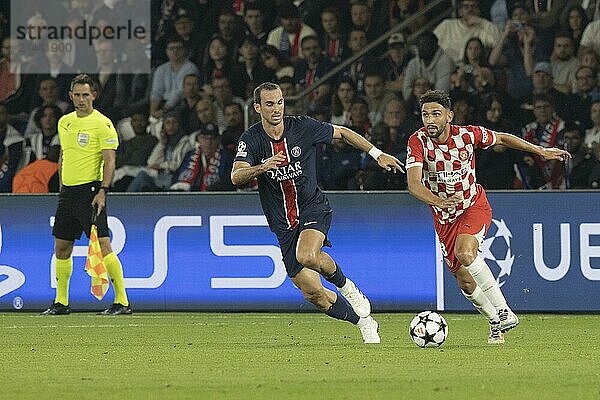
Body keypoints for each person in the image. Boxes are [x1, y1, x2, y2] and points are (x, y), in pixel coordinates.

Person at [231, 82, 404, 344]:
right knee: (315, 295)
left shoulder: (302, 127)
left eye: (279, 102)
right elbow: (236, 176)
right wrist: (263, 167)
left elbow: (343, 132)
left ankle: (348, 287)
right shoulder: (252, 139)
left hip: (312, 207)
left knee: (308, 255)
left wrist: (376, 154)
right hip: (284, 224)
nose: (276, 108)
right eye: (269, 104)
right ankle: (364, 322)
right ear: (257, 107)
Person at [406, 90, 571, 343]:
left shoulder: (467, 135)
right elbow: (414, 185)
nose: (430, 119)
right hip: (444, 217)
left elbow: (502, 139)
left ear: (449, 116)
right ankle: (495, 320)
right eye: (425, 114)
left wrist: (541, 150)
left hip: (473, 205)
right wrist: (440, 201)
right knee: (465, 283)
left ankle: (504, 311)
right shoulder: (417, 142)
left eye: (436, 114)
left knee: (466, 252)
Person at [42, 74, 132, 316]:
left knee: (103, 244)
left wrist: (103, 190)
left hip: (90, 191)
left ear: (94, 95)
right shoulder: (65, 122)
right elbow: (64, 154)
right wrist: (62, 184)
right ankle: (61, 302)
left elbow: (109, 159)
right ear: (70, 96)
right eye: (77, 95)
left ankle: (122, 302)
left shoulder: (102, 123)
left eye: (85, 94)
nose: (81, 99)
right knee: (61, 247)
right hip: (68, 193)